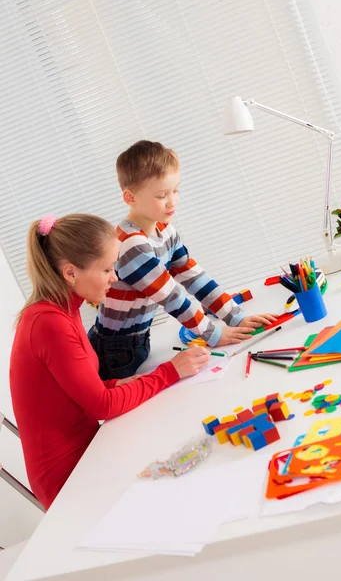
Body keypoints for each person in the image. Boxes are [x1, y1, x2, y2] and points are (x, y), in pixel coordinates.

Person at [9, 214, 209, 510]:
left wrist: (124, 383)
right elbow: (102, 404)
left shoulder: (64, 308)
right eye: (106, 269)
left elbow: (78, 389)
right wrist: (170, 372)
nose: (115, 278)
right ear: (70, 273)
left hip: (92, 447)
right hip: (69, 477)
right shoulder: (49, 323)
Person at [90, 140, 276, 380]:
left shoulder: (164, 230)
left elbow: (194, 277)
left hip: (138, 339)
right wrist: (213, 334)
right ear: (130, 197)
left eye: (175, 190)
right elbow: (172, 297)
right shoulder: (131, 245)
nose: (172, 201)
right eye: (161, 195)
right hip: (114, 350)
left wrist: (235, 316)